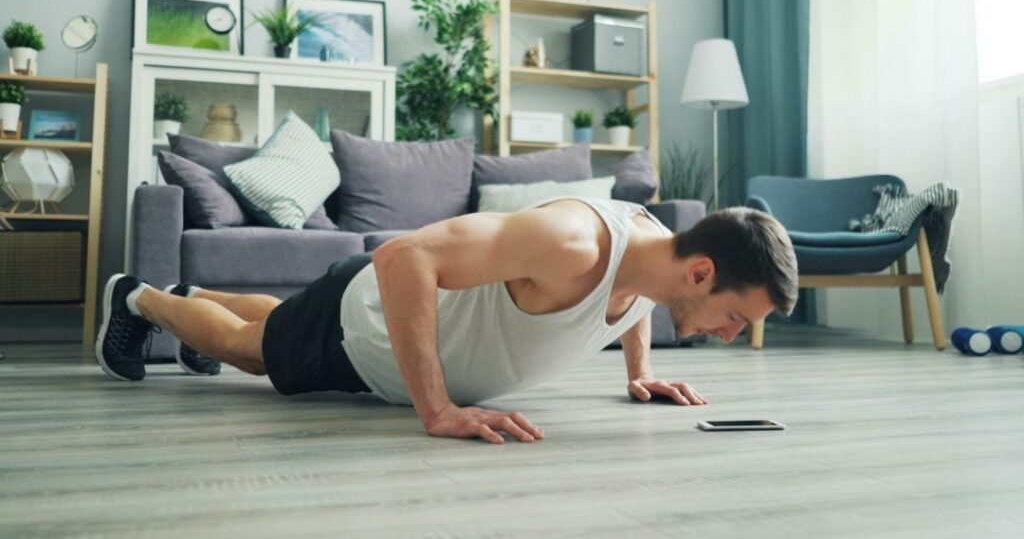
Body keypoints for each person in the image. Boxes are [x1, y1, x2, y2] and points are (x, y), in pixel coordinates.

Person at [96, 197, 798, 444]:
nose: (733, 335)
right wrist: (435, 407)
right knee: (250, 349)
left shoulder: (654, 252)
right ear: (702, 273)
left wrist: (640, 369)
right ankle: (141, 299)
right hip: (365, 332)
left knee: (280, 316)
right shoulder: (571, 242)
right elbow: (405, 258)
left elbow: (635, 295)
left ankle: (188, 291)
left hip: (360, 310)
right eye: (736, 317)